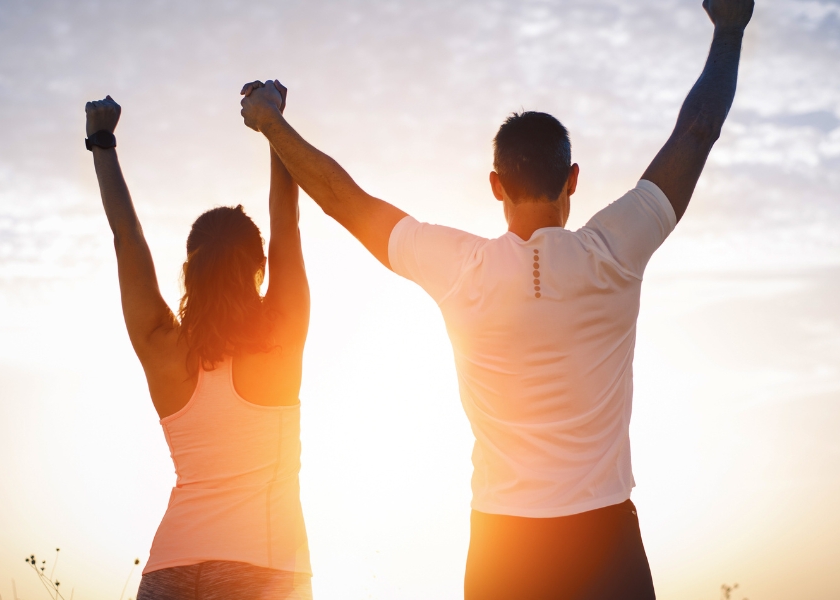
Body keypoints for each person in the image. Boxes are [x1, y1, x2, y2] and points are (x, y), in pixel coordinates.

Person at [240, 0, 752, 597]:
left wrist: (270, 121)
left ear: (495, 186)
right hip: (605, 539)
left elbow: (342, 198)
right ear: (573, 178)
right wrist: (730, 28)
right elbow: (698, 129)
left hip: (504, 547)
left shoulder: (461, 269)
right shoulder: (614, 250)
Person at [85, 84, 313, 600]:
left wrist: (101, 140)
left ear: (188, 269)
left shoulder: (161, 344)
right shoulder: (281, 336)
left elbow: (127, 237)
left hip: (168, 570)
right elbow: (286, 221)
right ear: (260, 269)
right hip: (264, 569)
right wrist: (271, 122)